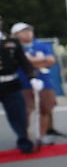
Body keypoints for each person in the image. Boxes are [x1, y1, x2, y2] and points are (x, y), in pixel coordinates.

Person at [13, 23, 65, 140]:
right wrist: (40, 61)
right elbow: (22, 62)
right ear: (15, 35)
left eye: (29, 30)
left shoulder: (42, 45)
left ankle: (41, 135)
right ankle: (25, 136)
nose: (27, 33)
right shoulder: (14, 47)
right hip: (23, 83)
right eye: (23, 31)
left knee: (45, 108)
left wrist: (30, 61)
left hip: (43, 82)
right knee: (25, 110)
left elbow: (51, 60)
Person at [0, 26, 37, 154]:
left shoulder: (12, 42)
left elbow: (23, 61)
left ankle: (24, 142)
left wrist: (32, 77)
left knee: (18, 115)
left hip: (11, 83)